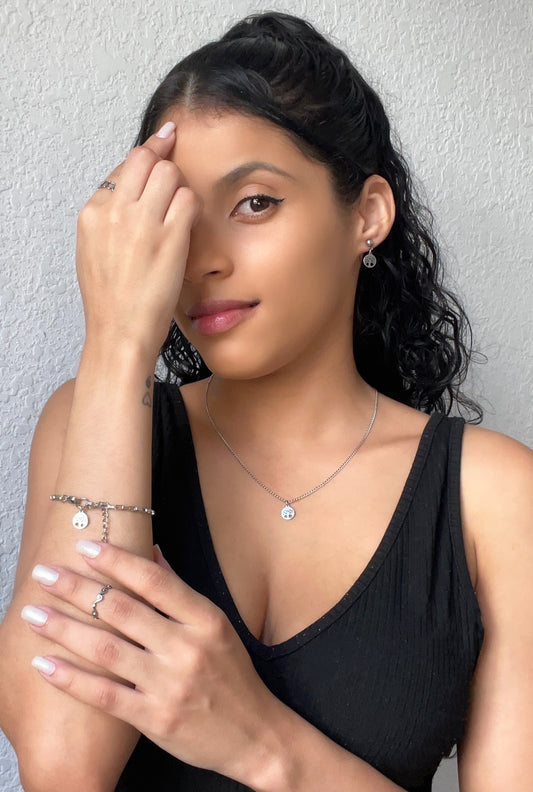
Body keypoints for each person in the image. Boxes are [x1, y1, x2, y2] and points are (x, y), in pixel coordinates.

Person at [0, 11, 532, 792]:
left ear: (367, 215)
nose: (204, 262)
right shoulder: (89, 421)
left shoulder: (493, 496)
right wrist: (116, 343)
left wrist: (260, 744)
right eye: (179, 218)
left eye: (254, 203)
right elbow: (63, 768)